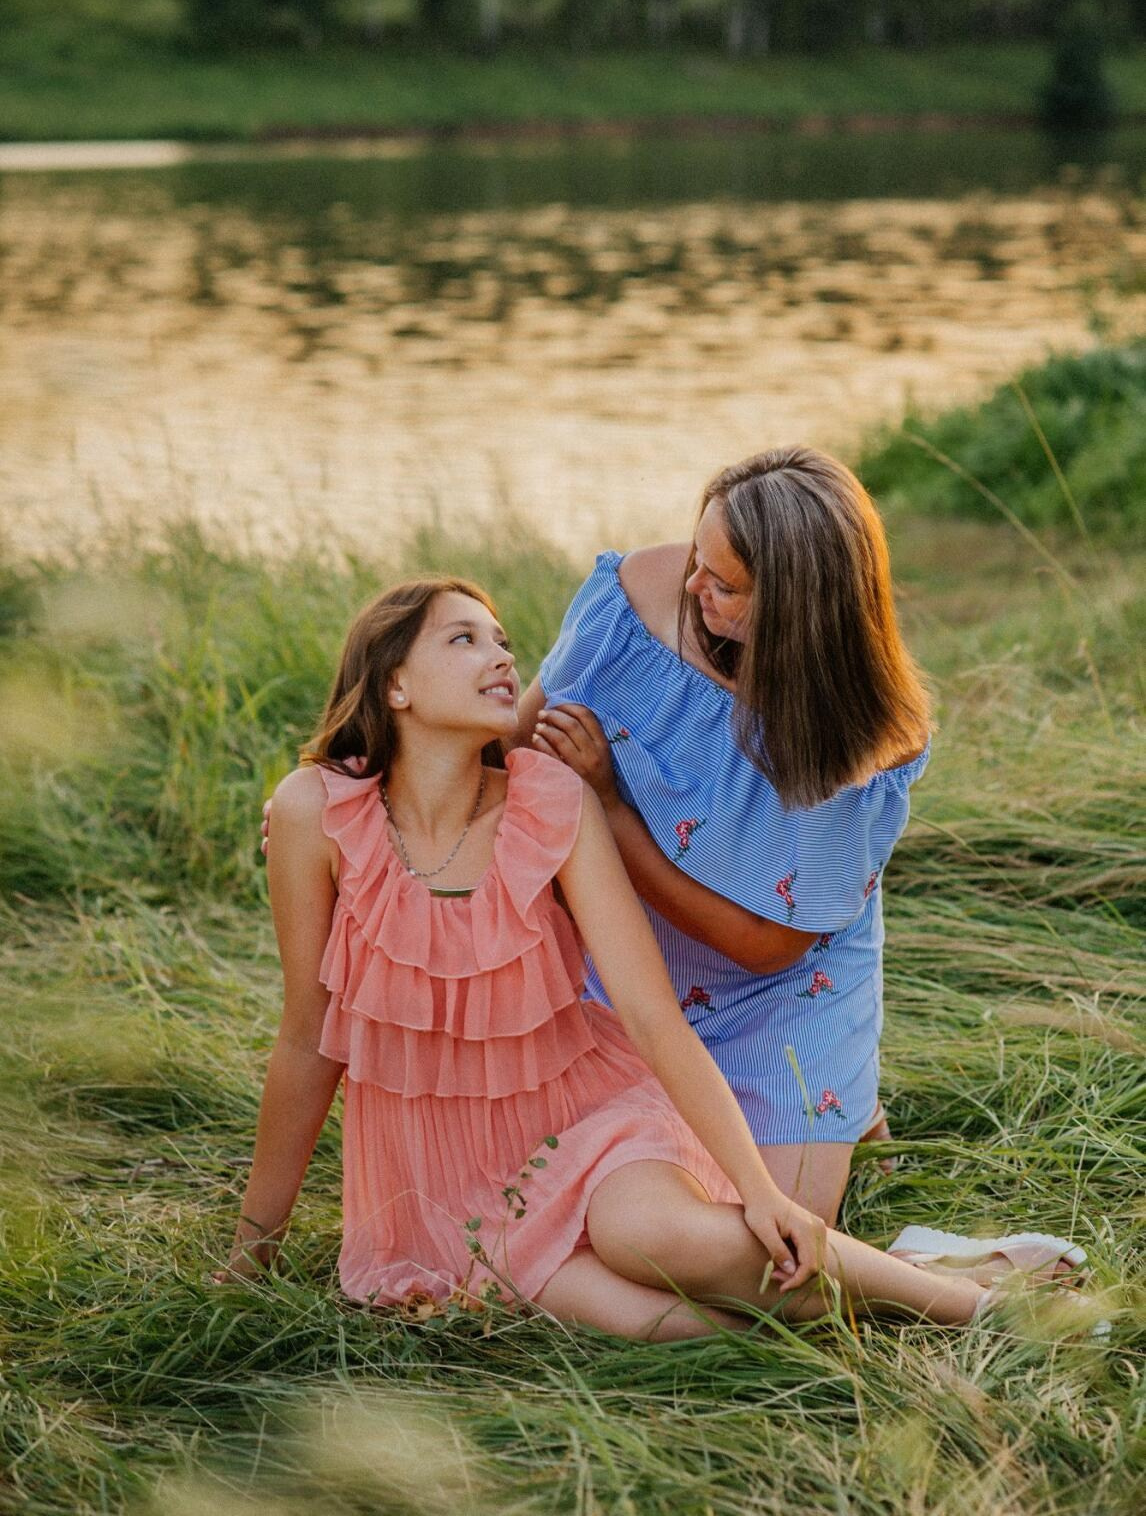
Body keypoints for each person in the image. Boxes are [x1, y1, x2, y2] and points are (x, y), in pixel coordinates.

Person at [222, 576, 1082, 1339]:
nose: (501, 656)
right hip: (444, 1184)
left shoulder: (548, 801)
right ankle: (937, 1272)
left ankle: (986, 1313)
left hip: (586, 1126)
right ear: (395, 684)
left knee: (665, 1240)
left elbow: (649, 1015)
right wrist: (249, 1256)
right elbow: (309, 1040)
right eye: (463, 638)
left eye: (503, 641)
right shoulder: (313, 815)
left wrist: (759, 1189)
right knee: (679, 1326)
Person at [516, 446, 934, 1225]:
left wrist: (611, 811)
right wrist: (346, 798)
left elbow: (765, 944)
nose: (692, 585)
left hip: (781, 992)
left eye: (725, 584)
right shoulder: (639, 596)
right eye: (698, 556)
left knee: (766, 1234)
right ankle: (845, 1117)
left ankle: (841, 1094)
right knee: (564, 1197)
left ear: (797, 608)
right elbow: (507, 743)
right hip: (626, 965)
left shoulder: (861, 740)